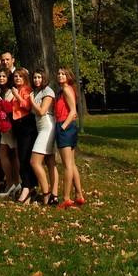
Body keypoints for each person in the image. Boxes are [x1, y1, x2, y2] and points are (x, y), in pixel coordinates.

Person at [55, 67, 85, 209]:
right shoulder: (64, 90)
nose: (60, 76)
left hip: (65, 127)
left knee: (67, 165)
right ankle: (79, 195)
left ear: (69, 76)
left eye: (63, 74)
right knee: (72, 164)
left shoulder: (67, 90)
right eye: (59, 74)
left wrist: (62, 127)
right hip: (69, 127)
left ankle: (66, 198)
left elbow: (73, 111)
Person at [29, 68, 58, 205]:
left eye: (39, 77)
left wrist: (31, 101)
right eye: (35, 77)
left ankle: (46, 194)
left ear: (44, 78)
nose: (37, 80)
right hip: (40, 127)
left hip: (47, 126)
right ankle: (54, 196)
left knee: (35, 162)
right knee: (50, 162)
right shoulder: (36, 91)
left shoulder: (48, 91)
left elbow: (41, 111)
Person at [11, 68, 37, 204]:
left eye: (20, 76)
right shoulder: (16, 89)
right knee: (21, 156)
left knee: (24, 157)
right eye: (15, 76)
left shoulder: (26, 90)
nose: (17, 79)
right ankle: (28, 186)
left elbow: (27, 106)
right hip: (18, 125)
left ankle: (28, 186)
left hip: (27, 124)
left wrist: (17, 96)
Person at [0, 67, 19, 197]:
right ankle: (11, 183)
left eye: (4, 76)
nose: (1, 78)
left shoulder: (11, 92)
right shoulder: (0, 91)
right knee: (3, 154)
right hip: (3, 127)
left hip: (11, 126)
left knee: (12, 154)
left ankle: (15, 182)